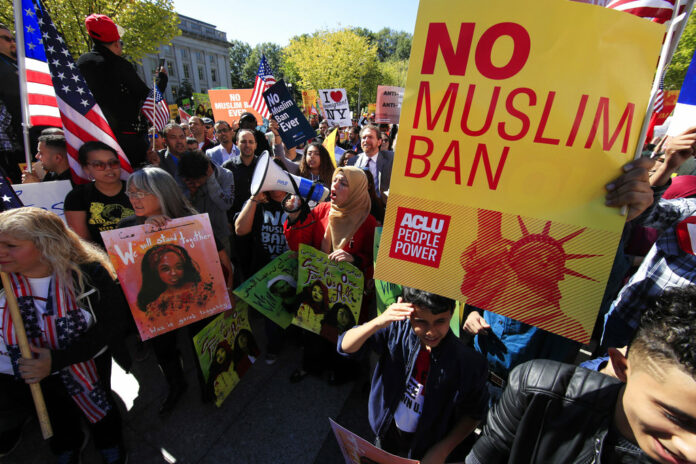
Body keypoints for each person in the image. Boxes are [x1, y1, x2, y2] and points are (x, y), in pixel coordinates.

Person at [466, 286, 696, 464]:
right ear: (621, 367)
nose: (691, 449)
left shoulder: (566, 318)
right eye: (675, 417)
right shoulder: (538, 390)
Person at [0, 207, 128, 463]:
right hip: (26, 369)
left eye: (11, 245)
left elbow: (113, 324)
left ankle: (109, 440)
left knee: (99, 401)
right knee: (54, 411)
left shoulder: (89, 274)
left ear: (45, 245)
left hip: (87, 361)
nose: (1, 251)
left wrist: (56, 360)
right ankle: (68, 444)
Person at [121, 167, 233, 413]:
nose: (134, 198)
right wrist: (144, 232)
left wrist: (227, 292)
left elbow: (222, 260)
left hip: (199, 304)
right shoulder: (126, 228)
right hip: (158, 310)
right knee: (164, 349)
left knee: (201, 342)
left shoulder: (192, 222)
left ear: (162, 193)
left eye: (141, 192)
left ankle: (210, 381)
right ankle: (176, 384)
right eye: (131, 192)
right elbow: (124, 270)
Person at [339, 287, 488, 463]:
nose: (431, 332)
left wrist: (442, 449)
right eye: (421, 322)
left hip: (428, 448)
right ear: (408, 314)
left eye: (440, 321)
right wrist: (378, 322)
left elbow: (474, 413)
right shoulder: (396, 330)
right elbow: (345, 346)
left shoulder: (468, 362)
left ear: (452, 312)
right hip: (387, 434)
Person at [284, 166, 378, 383]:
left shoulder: (368, 221)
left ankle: (340, 372)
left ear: (357, 190)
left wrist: (356, 260)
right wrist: (295, 218)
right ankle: (312, 366)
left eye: (344, 183)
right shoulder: (321, 211)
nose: (335, 186)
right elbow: (298, 246)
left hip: (348, 295)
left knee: (342, 333)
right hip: (319, 287)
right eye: (335, 180)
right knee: (314, 329)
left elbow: (375, 260)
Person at [77, 14, 167, 168]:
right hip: (126, 140)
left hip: (92, 137)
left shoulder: (80, 63)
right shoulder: (119, 65)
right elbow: (148, 99)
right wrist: (161, 79)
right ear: (116, 44)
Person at [64, 141, 133, 248]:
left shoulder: (137, 189)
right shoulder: (77, 196)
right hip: (100, 258)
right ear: (86, 168)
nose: (108, 168)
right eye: (99, 165)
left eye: (113, 163)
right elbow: (82, 241)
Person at [178, 150, 235, 255]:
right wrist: (190, 193)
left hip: (220, 234)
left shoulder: (226, 175)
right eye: (192, 182)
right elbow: (178, 208)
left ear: (207, 171)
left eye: (199, 181)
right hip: (193, 236)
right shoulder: (183, 177)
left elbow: (226, 204)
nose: (197, 185)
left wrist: (212, 181)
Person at [0, 23, 22, 183]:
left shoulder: (16, 63)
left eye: (13, 38)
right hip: (10, 145)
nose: (13, 43)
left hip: (30, 140)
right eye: (7, 39)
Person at [347, 125, 393, 198]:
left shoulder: (391, 158)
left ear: (379, 142)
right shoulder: (353, 161)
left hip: (381, 206)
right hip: (359, 204)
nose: (366, 140)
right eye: (364, 137)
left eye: (370, 137)